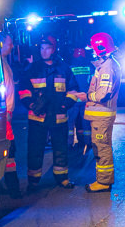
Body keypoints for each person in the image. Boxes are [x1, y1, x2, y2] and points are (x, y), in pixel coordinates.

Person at [19, 34, 81, 190]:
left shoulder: (64, 68)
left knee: (61, 149)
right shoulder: (33, 69)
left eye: (47, 48)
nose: (43, 51)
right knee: (35, 150)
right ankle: (33, 181)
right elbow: (23, 91)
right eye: (41, 48)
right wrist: (32, 104)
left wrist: (65, 105)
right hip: (37, 118)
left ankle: (62, 178)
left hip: (59, 117)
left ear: (54, 49)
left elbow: (73, 90)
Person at [84, 32, 121, 193]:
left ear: (100, 48)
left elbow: (102, 94)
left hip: (102, 115)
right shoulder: (105, 65)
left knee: (102, 148)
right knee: (101, 146)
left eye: (93, 49)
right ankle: (103, 180)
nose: (91, 51)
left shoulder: (107, 68)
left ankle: (104, 182)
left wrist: (86, 96)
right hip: (101, 115)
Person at [0, 33, 21, 198]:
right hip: (3, 114)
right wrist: (6, 112)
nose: (12, 46)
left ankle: (9, 186)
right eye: (9, 43)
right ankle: (13, 187)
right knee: (9, 149)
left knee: (9, 149)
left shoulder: (3, 61)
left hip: (7, 112)